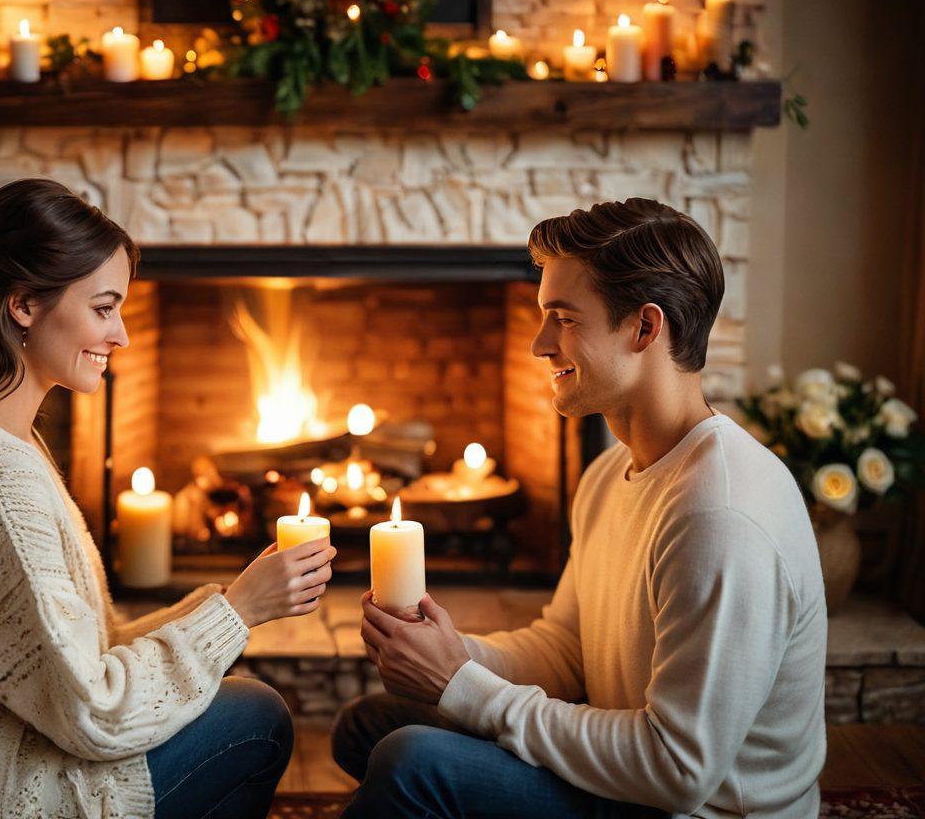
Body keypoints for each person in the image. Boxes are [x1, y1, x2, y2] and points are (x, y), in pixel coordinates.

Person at [0, 178, 336, 819]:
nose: (123, 336)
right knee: (256, 717)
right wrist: (238, 613)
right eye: (105, 309)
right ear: (23, 304)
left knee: (242, 703)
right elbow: (93, 709)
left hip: (28, 751)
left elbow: (81, 655)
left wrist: (232, 598)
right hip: (9, 797)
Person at [333, 198, 827, 819]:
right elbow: (568, 651)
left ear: (646, 328)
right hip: (641, 779)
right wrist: (454, 657)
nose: (540, 344)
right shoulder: (608, 473)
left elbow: (677, 769)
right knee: (367, 726)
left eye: (563, 319)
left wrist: (462, 690)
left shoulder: (721, 516)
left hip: (690, 809)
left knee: (408, 762)